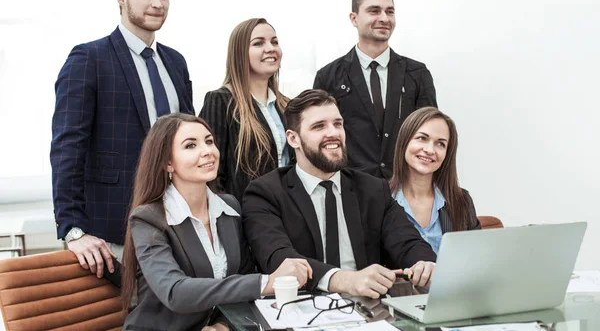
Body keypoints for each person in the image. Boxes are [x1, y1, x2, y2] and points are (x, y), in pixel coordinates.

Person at [50, 0, 194, 278]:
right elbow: (67, 147)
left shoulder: (175, 63)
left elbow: (189, 142)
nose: (157, 3)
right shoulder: (89, 58)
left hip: (177, 219)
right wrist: (73, 229)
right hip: (115, 226)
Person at [122, 113, 311, 330]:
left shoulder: (229, 207)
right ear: (168, 163)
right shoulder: (148, 218)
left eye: (209, 141)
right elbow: (175, 291)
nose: (207, 151)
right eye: (190, 145)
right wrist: (266, 282)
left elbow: (243, 278)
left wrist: (223, 325)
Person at [243, 89, 437, 299]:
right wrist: (345, 280)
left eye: (338, 124)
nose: (333, 133)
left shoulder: (373, 189)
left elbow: (407, 242)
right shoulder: (265, 193)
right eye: (319, 126)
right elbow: (280, 258)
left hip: (369, 311)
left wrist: (425, 263)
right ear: (293, 139)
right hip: (300, 308)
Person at [313, 0, 437, 180]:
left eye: (390, 12)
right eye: (374, 11)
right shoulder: (328, 77)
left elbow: (431, 134)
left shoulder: (417, 73)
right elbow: (320, 138)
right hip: (351, 188)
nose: (384, 18)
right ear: (354, 18)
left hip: (405, 185)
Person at [200, 18, 292, 203]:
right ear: (239, 53)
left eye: (274, 42)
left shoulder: (288, 106)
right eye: (258, 43)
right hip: (245, 218)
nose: (270, 48)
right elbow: (212, 174)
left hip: (289, 214)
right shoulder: (221, 101)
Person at [390, 107, 480, 254]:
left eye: (440, 144)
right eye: (422, 138)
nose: (430, 150)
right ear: (404, 141)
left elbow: (477, 259)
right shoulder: (380, 201)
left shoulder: (462, 201)